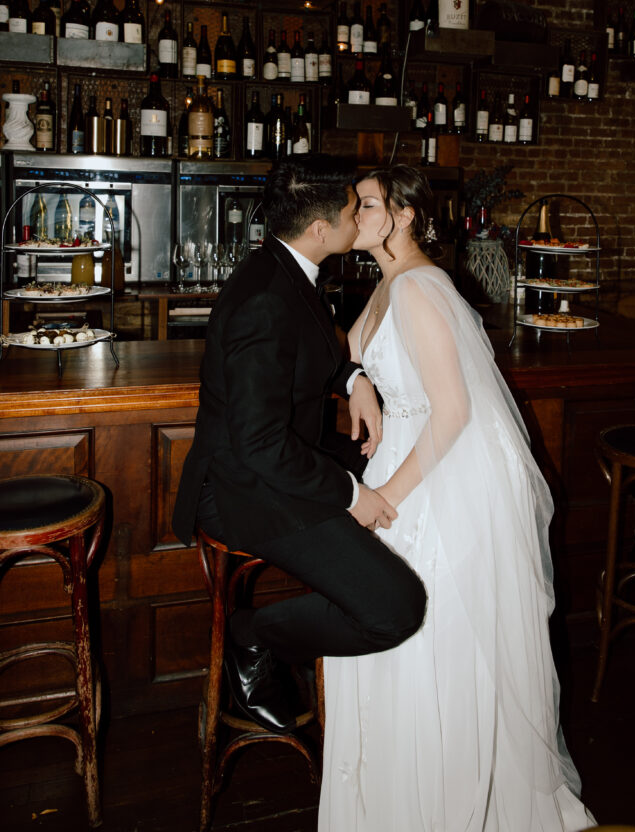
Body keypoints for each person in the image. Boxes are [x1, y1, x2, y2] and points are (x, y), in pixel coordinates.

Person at [319, 165, 596, 831]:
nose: (355, 215)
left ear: (406, 215)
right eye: (352, 205)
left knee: (430, 644)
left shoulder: (419, 287)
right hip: (400, 454)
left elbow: (451, 411)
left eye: (368, 205)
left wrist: (385, 493)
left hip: (432, 478)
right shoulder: (387, 282)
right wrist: (360, 386)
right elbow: (359, 359)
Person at [173, 155, 426, 733]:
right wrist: (347, 495)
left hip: (278, 460)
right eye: (348, 210)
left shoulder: (288, 268)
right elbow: (260, 445)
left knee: (396, 464)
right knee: (396, 608)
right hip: (242, 487)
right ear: (320, 230)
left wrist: (351, 379)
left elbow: (306, 352)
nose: (356, 220)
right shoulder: (264, 297)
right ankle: (252, 636)